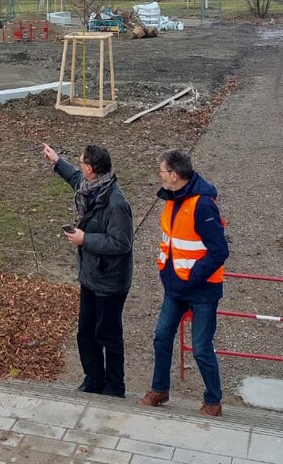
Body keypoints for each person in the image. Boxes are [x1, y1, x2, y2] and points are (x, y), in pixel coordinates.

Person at [139, 148, 229, 418]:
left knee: (201, 348)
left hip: (200, 290)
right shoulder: (173, 198)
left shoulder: (202, 205)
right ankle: (160, 389)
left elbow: (219, 250)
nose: (159, 175)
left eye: (162, 171)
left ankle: (213, 401)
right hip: (175, 287)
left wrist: (192, 276)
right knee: (161, 337)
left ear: (175, 176)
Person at [42, 142, 134, 397]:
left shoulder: (116, 203)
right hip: (91, 276)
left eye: (82, 162)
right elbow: (74, 177)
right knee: (86, 331)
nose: (80, 166)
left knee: (108, 334)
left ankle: (114, 387)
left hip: (110, 282)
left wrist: (85, 240)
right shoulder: (91, 187)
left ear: (91, 168)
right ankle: (93, 379)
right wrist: (57, 161)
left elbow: (122, 243)